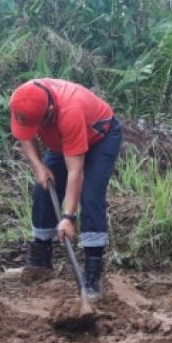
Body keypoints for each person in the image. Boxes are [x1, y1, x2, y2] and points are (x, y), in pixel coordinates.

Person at [9, 78, 122, 300]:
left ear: (50, 111)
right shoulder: (24, 98)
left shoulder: (70, 111)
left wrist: (68, 218)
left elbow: (75, 171)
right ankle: (40, 262)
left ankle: (92, 275)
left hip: (100, 137)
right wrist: (39, 166)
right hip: (64, 141)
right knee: (43, 191)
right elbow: (25, 135)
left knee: (90, 197)